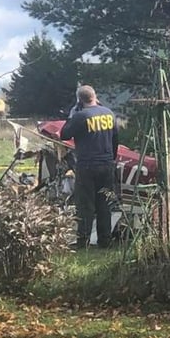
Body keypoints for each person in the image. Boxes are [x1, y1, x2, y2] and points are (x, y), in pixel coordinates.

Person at [60, 85, 119, 249]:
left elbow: (64, 134)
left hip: (87, 166)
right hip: (107, 165)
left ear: (80, 100)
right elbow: (115, 139)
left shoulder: (80, 116)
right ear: (95, 96)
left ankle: (83, 242)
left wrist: (71, 115)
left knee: (85, 205)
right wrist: (111, 159)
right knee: (104, 204)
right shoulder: (109, 113)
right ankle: (105, 241)